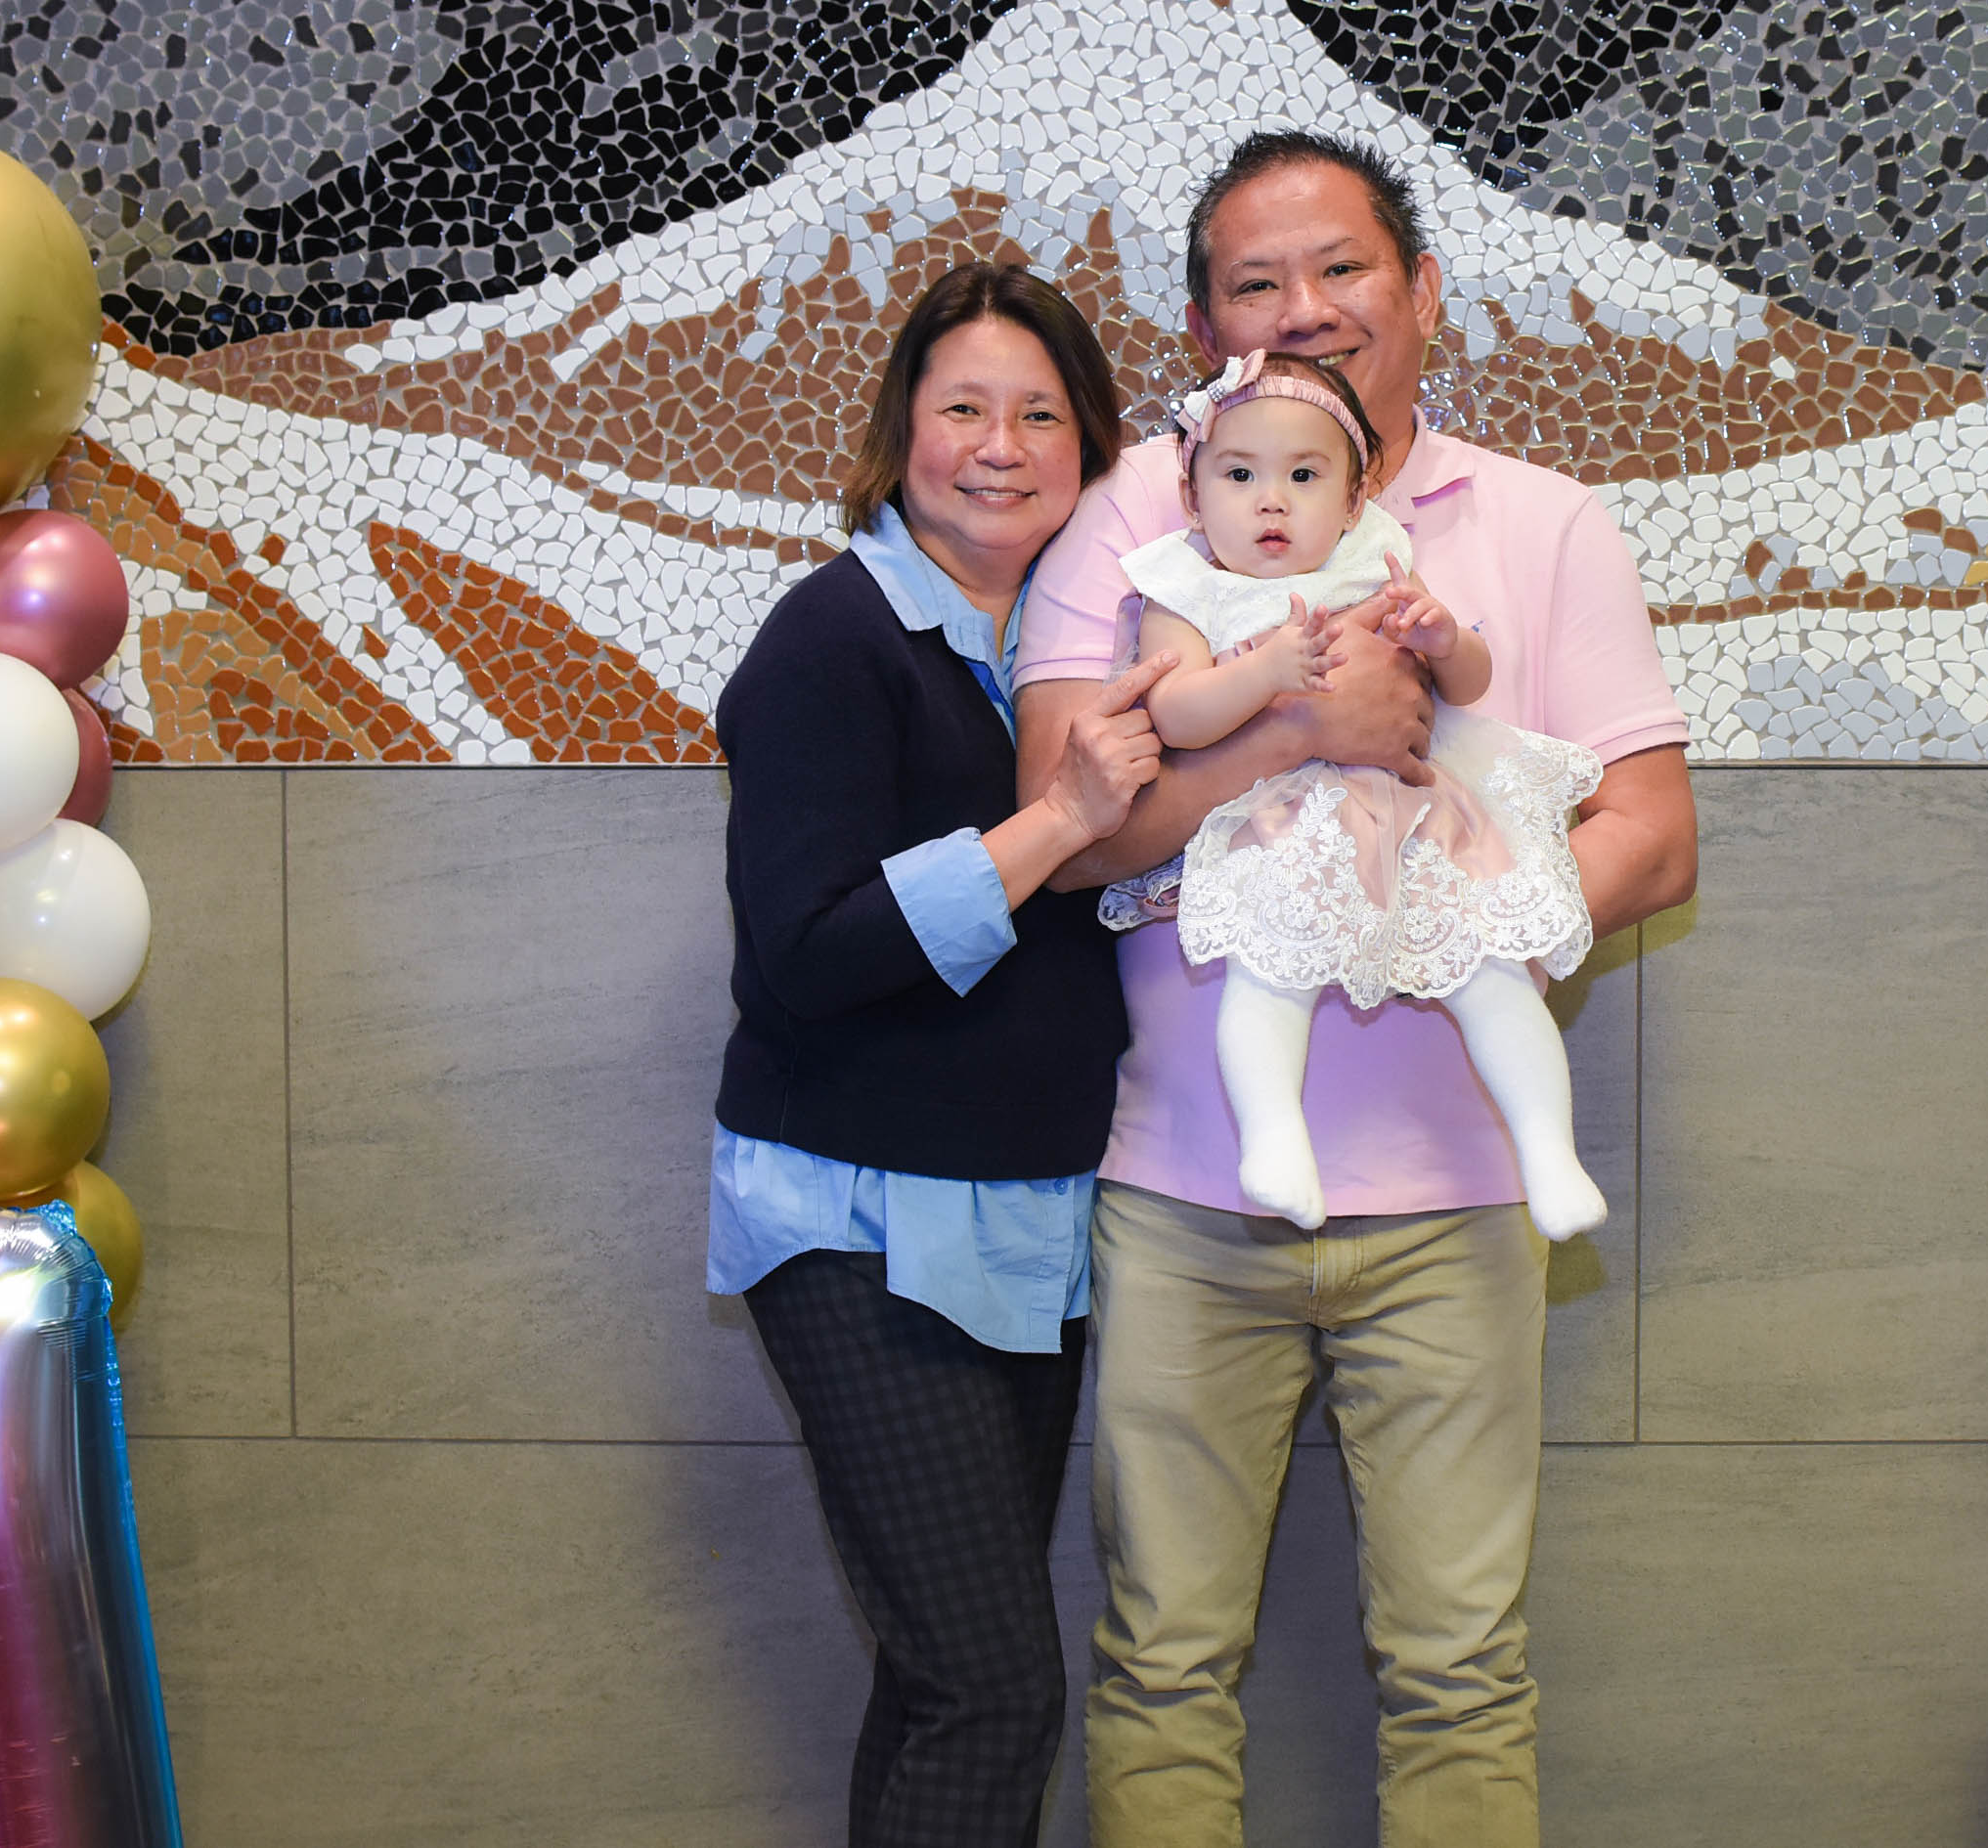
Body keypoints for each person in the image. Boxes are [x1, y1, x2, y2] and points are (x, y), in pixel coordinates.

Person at [1009, 133, 1698, 1848]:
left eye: (1341, 270)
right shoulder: (1134, 525)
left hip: (1460, 1206)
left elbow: (1654, 839)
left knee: (1461, 1669)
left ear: (1422, 294)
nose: (1303, 310)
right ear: (1204, 330)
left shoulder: (1537, 523)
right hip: (1184, 1192)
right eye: (1256, 284)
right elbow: (1060, 834)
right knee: (1164, 1661)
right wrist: (1299, 732)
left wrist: (1458, 912)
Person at [712, 260, 1176, 1848]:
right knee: (995, 1693)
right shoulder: (829, 640)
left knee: (936, 1687)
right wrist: (1057, 822)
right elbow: (805, 953)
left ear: (1090, 445)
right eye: (963, 406)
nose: (1000, 445)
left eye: (1040, 414)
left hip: (1028, 1223)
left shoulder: (1082, 647)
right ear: (899, 429)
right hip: (854, 1225)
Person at [1112, 347, 1608, 1239]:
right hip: (1281, 826)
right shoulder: (1187, 588)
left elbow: (1467, 686)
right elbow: (1176, 712)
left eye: (1304, 475)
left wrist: (1446, 640)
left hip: (1415, 818)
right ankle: (1273, 1141)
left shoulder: (1374, 561)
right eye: (1239, 474)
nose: (1271, 500)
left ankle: (1549, 1150)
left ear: (1352, 500)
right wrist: (1265, 674)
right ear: (1192, 493)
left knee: (1493, 969)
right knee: (1270, 973)